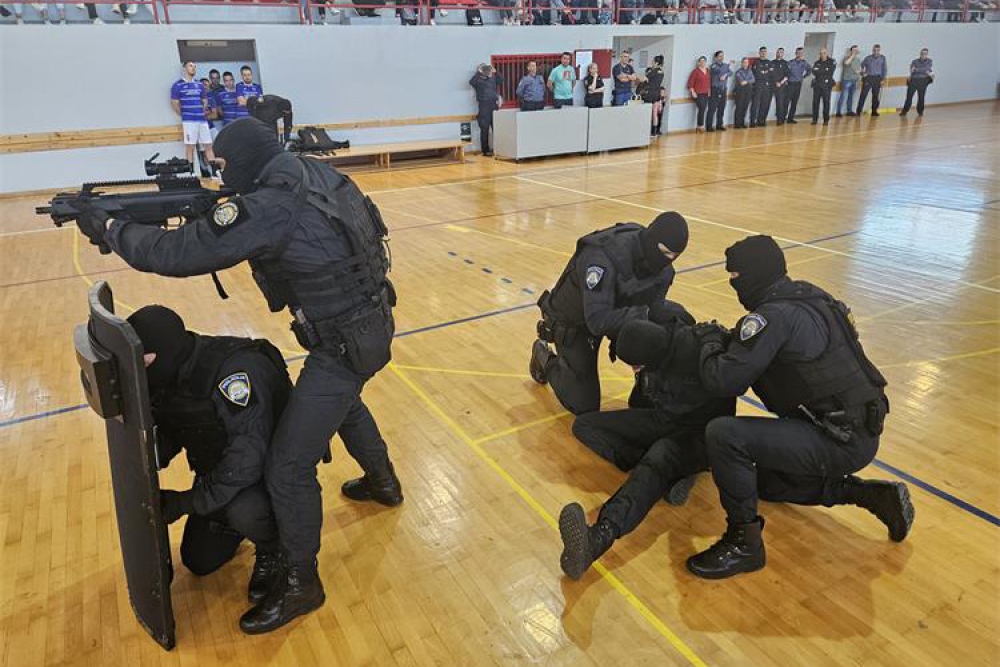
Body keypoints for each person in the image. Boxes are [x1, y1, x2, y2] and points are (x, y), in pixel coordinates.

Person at [79, 118, 403, 634]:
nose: (221, 175)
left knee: (287, 467)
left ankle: (302, 584)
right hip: (364, 326)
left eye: (225, 166)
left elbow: (180, 253)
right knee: (340, 400)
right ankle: (384, 482)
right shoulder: (309, 174)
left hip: (343, 343)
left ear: (247, 159)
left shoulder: (271, 203)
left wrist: (114, 230)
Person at [685, 235, 915, 580]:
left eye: (735, 277)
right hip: (857, 427)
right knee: (753, 480)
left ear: (754, 275)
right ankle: (870, 495)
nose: (734, 284)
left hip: (837, 438)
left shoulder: (773, 317)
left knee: (724, 436)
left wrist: (709, 343)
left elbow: (723, 380)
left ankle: (744, 544)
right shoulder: (809, 295)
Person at [127, 305, 288, 604]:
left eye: (144, 361)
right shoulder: (170, 374)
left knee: (244, 510)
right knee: (198, 560)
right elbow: (176, 425)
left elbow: (246, 463)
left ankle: (274, 546)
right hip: (220, 474)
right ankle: (234, 519)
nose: (141, 371)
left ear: (162, 352)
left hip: (266, 479)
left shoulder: (234, 376)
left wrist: (187, 502)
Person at [557, 313, 737, 580]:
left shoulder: (701, 347)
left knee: (659, 459)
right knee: (585, 426)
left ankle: (597, 538)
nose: (634, 371)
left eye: (636, 366)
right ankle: (670, 474)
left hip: (701, 437)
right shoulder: (658, 344)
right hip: (665, 421)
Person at [529, 212, 690, 416]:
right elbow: (597, 320)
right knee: (583, 404)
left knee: (670, 322)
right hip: (575, 321)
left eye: (674, 256)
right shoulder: (602, 257)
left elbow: (651, 315)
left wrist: (643, 353)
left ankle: (644, 387)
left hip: (618, 312)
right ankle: (543, 358)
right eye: (665, 253)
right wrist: (644, 315)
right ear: (651, 240)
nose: (668, 260)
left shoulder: (665, 271)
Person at [170, 61, 217, 173]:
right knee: (190, 147)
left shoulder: (200, 85)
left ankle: (215, 173)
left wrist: (202, 109)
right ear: (184, 69)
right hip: (189, 121)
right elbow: (174, 103)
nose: (193, 68)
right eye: (190, 66)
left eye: (194, 67)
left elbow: (204, 100)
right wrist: (184, 114)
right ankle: (190, 173)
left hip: (202, 120)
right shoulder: (178, 85)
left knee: (208, 146)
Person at [470, 64, 503, 157]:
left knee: (496, 128)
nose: (486, 70)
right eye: (485, 69)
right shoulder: (478, 80)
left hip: (494, 105)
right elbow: (471, 82)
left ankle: (499, 148)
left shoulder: (492, 79)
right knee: (484, 129)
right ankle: (485, 150)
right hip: (484, 106)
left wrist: (495, 71)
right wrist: (478, 72)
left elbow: (501, 80)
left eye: (487, 69)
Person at [900, 48, 933, 117]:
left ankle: (920, 111)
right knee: (909, 97)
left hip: (923, 81)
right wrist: (923, 70)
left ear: (927, 54)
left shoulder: (929, 61)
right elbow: (912, 70)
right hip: (914, 80)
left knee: (921, 97)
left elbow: (927, 69)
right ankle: (904, 111)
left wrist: (917, 69)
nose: (923, 55)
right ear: (920, 54)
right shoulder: (914, 61)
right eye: (922, 53)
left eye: (925, 54)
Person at [783, 47, 812, 124]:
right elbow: (786, 72)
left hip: (798, 84)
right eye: (798, 53)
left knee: (794, 102)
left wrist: (804, 76)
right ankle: (782, 118)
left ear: (802, 54)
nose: (799, 54)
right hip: (790, 84)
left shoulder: (804, 63)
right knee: (786, 101)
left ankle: (790, 118)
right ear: (795, 53)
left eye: (801, 53)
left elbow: (810, 70)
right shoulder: (790, 62)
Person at [857, 44, 887, 117]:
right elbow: (860, 66)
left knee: (875, 96)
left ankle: (874, 111)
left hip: (877, 78)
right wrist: (862, 73)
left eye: (877, 50)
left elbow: (884, 69)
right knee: (863, 95)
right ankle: (858, 111)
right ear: (872, 50)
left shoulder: (883, 58)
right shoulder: (868, 58)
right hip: (868, 78)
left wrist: (883, 79)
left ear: (879, 51)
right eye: (874, 50)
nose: (876, 52)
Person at [707, 51, 732, 133]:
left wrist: (726, 74)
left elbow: (731, 72)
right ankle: (709, 126)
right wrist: (728, 67)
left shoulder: (725, 65)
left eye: (723, 56)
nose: (722, 57)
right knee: (712, 108)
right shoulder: (713, 66)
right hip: (715, 89)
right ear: (716, 57)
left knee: (721, 108)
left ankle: (719, 125)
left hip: (723, 89)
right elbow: (719, 71)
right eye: (720, 56)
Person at [750, 47, 774, 128]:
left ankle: (761, 121)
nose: (763, 53)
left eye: (765, 52)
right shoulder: (756, 62)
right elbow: (757, 74)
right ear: (759, 53)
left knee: (764, 104)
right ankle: (752, 121)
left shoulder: (769, 62)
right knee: (755, 104)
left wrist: (764, 72)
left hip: (766, 86)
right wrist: (765, 72)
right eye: (762, 51)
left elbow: (771, 74)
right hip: (758, 85)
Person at [811, 47, 836, 125]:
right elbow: (814, 72)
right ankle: (814, 119)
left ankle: (826, 120)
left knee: (826, 103)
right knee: (815, 103)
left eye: (824, 53)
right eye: (821, 53)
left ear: (827, 53)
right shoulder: (817, 62)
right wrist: (823, 71)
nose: (822, 54)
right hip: (817, 85)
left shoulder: (832, 62)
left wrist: (819, 71)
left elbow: (830, 73)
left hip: (826, 86)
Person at [687, 57, 711, 133]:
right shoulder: (695, 71)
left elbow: (709, 82)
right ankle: (700, 125)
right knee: (702, 107)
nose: (703, 63)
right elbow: (690, 83)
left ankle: (698, 126)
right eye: (701, 61)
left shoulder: (707, 70)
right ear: (698, 63)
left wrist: (709, 90)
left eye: (704, 61)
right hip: (698, 94)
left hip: (706, 93)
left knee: (703, 108)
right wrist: (692, 92)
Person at [733, 57, 755, 129]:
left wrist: (747, 81)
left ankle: (742, 123)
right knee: (739, 107)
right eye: (744, 62)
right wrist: (748, 81)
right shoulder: (738, 72)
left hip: (748, 91)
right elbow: (741, 82)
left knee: (745, 107)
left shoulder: (750, 71)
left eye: (747, 62)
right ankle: (737, 124)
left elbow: (753, 79)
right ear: (742, 63)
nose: (745, 64)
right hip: (740, 91)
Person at [771, 48, 791, 126]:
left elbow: (787, 75)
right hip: (772, 85)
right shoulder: (772, 62)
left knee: (780, 103)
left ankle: (780, 120)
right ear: (776, 53)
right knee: (767, 102)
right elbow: (770, 74)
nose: (779, 53)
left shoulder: (786, 63)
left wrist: (780, 82)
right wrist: (774, 82)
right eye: (778, 52)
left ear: (783, 54)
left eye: (781, 52)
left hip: (781, 86)